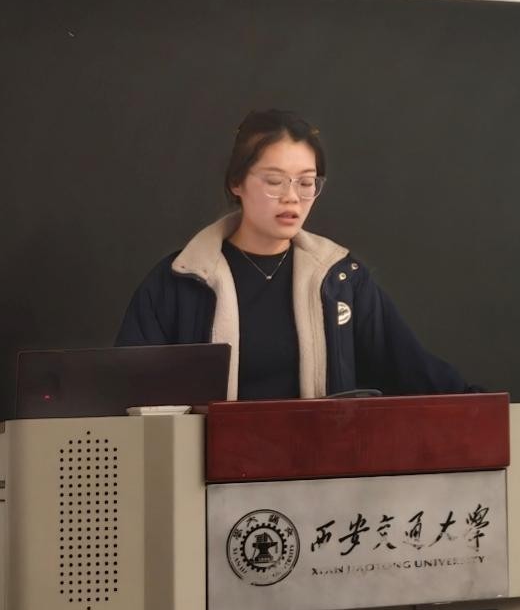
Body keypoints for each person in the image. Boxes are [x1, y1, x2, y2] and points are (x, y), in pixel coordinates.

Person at [116, 109, 473, 399]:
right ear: (236, 182)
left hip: (318, 463)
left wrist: (491, 411)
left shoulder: (342, 281)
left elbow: (412, 369)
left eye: (306, 183)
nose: (292, 198)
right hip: (209, 466)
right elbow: (128, 395)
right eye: (274, 181)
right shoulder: (180, 281)